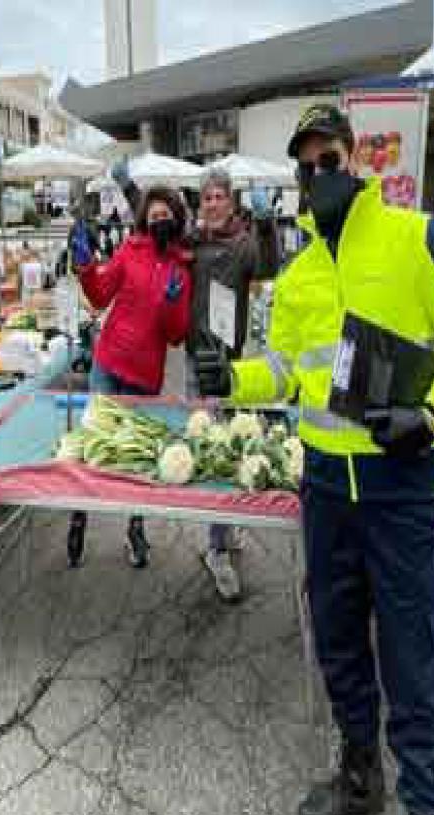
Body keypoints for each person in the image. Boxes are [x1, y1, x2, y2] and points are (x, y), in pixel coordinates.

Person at [194, 104, 434, 815]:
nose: (317, 171)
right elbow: (290, 372)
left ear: (357, 159)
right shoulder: (294, 274)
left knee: (413, 652)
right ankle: (360, 773)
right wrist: (235, 376)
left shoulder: (412, 238)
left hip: (402, 480)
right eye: (304, 163)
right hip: (325, 483)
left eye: (328, 155)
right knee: (337, 641)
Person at [115, 162, 280, 602]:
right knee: (209, 446)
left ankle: (219, 540)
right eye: (205, 197)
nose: (211, 203)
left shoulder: (244, 245)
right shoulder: (191, 240)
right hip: (195, 360)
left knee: (229, 445)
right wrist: (130, 189)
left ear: (230, 201)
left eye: (218, 196)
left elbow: (269, 266)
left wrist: (267, 224)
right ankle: (217, 545)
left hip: (232, 366)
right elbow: (156, 222)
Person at [67, 186, 193, 570]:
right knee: (93, 444)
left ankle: (135, 528)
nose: (158, 223)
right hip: (107, 364)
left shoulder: (181, 268)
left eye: (164, 217)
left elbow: (175, 334)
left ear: (175, 221)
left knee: (134, 456)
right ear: (143, 221)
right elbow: (101, 296)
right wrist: (87, 268)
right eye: (152, 217)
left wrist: (172, 304)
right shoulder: (129, 251)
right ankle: (78, 514)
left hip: (144, 376)